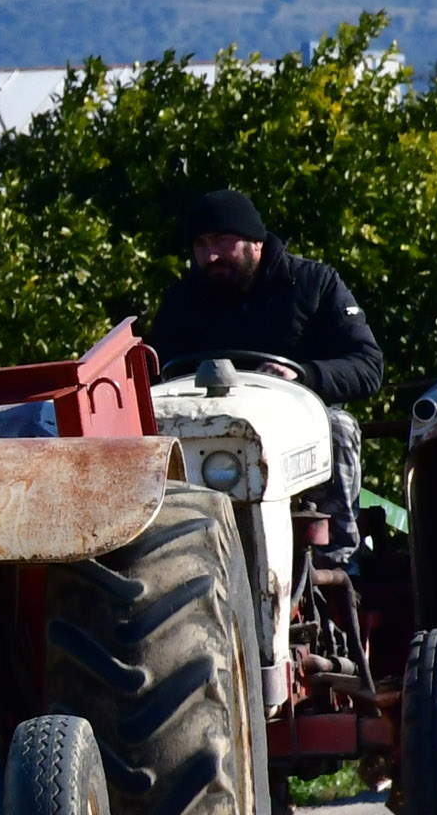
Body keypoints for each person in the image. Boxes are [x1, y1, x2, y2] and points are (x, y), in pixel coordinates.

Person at [146, 188, 383, 552]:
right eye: (200, 244)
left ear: (255, 241)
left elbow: (367, 366)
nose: (210, 255)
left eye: (223, 240)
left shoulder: (313, 284)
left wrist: (304, 376)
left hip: (295, 427)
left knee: (337, 427)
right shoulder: (182, 300)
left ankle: (336, 558)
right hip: (207, 429)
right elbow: (154, 370)